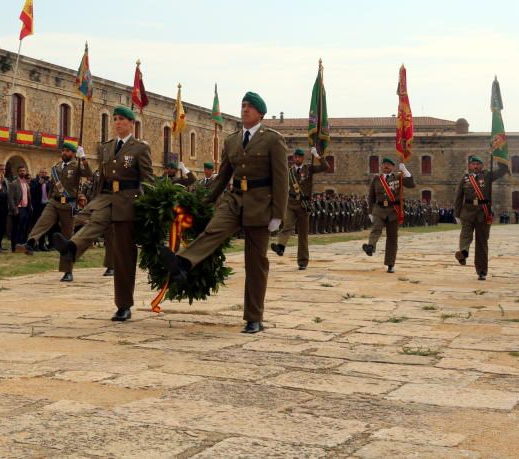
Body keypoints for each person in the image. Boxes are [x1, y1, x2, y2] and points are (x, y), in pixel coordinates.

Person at [159, 92, 288, 334]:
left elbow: (282, 179)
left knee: (256, 262)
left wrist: (278, 214)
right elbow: (223, 176)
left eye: (250, 107)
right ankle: (183, 263)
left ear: (261, 113)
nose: (245, 109)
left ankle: (254, 317)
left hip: (261, 203)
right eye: (242, 106)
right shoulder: (232, 141)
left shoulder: (273, 140)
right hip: (234, 199)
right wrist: (205, 201)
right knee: (213, 230)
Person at [50, 106, 153, 321]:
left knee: (123, 257)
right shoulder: (106, 148)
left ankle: (123, 305)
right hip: (106, 198)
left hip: (128, 201)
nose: (117, 123)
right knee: (93, 222)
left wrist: (148, 206)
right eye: (115, 119)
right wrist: (93, 200)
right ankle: (72, 248)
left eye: (121, 119)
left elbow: (148, 179)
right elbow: (102, 178)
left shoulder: (140, 148)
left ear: (131, 123)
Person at [27, 142, 92, 257]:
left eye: (67, 151)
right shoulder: (56, 167)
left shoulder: (77, 166)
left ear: (73, 153)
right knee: (43, 221)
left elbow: (88, 173)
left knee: (68, 233)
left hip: (68, 204)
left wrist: (83, 157)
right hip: (54, 202)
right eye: (63, 150)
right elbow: (52, 186)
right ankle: (31, 242)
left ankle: (70, 252)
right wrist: (50, 197)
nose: (64, 153)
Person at [453, 154, 508, 281]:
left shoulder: (487, 176)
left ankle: (482, 270)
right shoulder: (465, 179)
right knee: (465, 234)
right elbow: (458, 197)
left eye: (478, 164)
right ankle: (463, 253)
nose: (475, 166)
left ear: (482, 166)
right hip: (467, 211)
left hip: (483, 213)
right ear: (469, 166)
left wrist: (500, 157)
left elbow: (502, 171)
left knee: (481, 243)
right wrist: (457, 214)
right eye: (473, 164)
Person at [272, 146, 328, 270]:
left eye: (298, 157)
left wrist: (318, 156)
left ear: (302, 158)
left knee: (303, 235)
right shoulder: (289, 172)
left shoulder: (309, 169)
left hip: (304, 205)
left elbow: (325, 167)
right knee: (287, 226)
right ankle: (280, 247)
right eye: (294, 157)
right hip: (291, 203)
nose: (296, 159)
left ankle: (302, 261)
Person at [362, 155, 416, 273]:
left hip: (393, 211)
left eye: (389, 165)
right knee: (376, 228)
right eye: (384, 165)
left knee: (392, 238)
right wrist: (370, 212)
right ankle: (370, 246)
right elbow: (371, 196)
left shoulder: (398, 177)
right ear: (381, 166)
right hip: (379, 209)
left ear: (392, 167)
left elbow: (412, 184)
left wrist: (405, 170)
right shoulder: (376, 179)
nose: (386, 167)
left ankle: (390, 263)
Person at [8, 167, 32, 253]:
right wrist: (14, 208)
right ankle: (14, 247)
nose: (22, 172)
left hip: (26, 209)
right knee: (16, 229)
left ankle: (22, 245)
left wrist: (30, 207)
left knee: (24, 228)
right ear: (18, 172)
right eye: (21, 171)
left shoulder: (26, 183)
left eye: (24, 171)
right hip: (18, 209)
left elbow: (28, 196)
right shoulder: (14, 183)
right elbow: (10, 198)